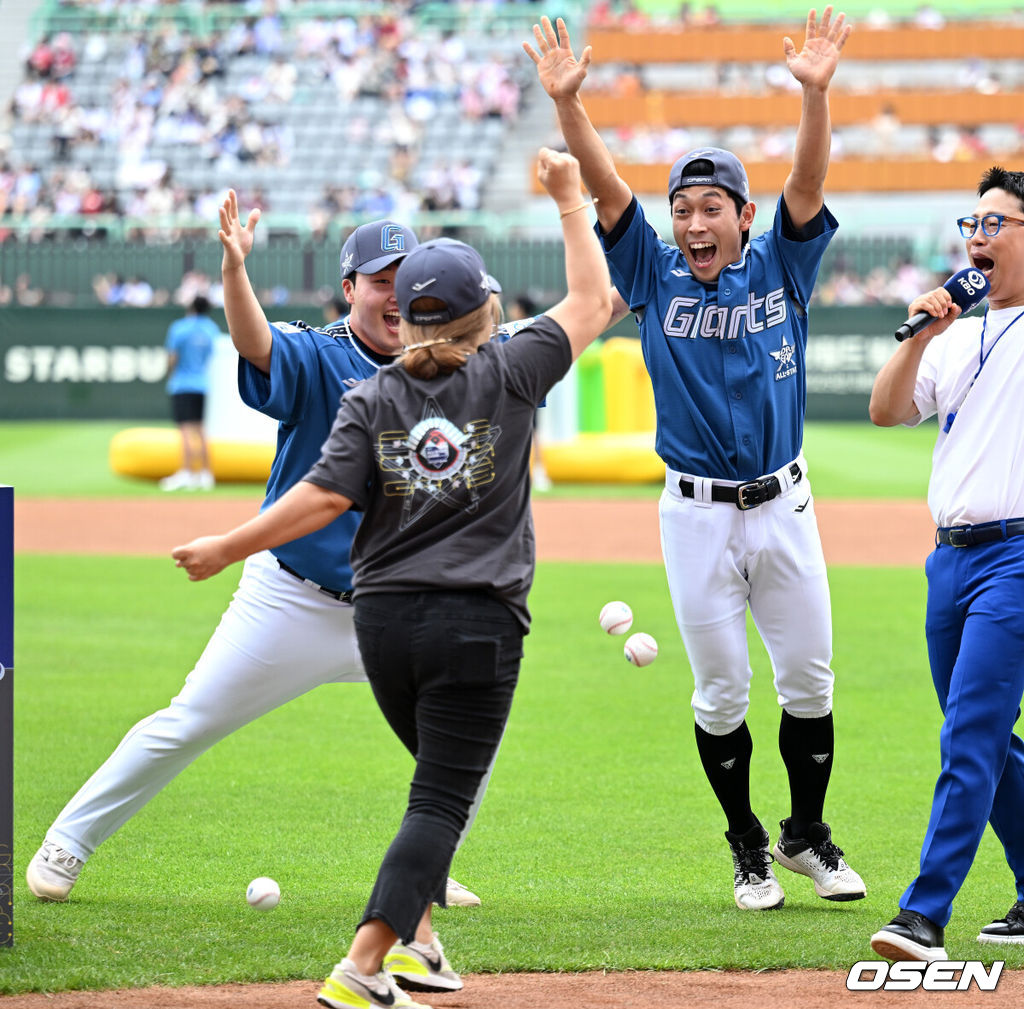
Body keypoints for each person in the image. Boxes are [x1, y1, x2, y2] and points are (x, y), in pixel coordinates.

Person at [171, 148, 612, 1009]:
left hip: (382, 626)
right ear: (487, 310)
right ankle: (365, 961)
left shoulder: (369, 396)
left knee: (431, 790)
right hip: (475, 624)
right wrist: (569, 200)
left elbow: (320, 496)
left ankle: (421, 950)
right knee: (443, 799)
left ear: (404, 318)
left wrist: (231, 543)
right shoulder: (513, 369)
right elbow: (595, 300)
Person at [25, 202, 483, 919]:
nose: (395, 292)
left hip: (398, 607)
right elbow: (258, 342)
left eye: (407, 277)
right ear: (349, 288)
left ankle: (429, 864)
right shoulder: (320, 355)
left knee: (467, 727)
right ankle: (67, 841)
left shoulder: (457, 367)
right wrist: (236, 269)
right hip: (292, 599)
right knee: (190, 719)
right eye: (378, 278)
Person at [525, 8, 866, 911]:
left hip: (785, 504)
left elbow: (809, 174)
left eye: (711, 206)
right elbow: (604, 188)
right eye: (682, 208)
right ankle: (748, 844)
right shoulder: (651, 272)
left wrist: (815, 95)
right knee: (722, 692)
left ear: (744, 217)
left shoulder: (781, 269)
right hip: (694, 512)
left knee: (810, 682)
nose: (692, 221)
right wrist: (571, 107)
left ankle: (805, 834)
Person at [867, 165, 1024, 962]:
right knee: (987, 740)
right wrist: (922, 332)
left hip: (1020, 558)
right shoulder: (957, 330)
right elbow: (887, 410)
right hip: (950, 561)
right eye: (972, 223)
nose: (977, 236)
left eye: (996, 224)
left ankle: (923, 912)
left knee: (970, 734)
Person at [159, 294, 220, 491]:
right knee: (201, 430)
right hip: (202, 384)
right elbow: (211, 355)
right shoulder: (211, 329)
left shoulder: (180, 328)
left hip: (183, 384)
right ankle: (205, 474)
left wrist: (169, 375)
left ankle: (187, 472)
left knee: (185, 430)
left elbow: (172, 357)